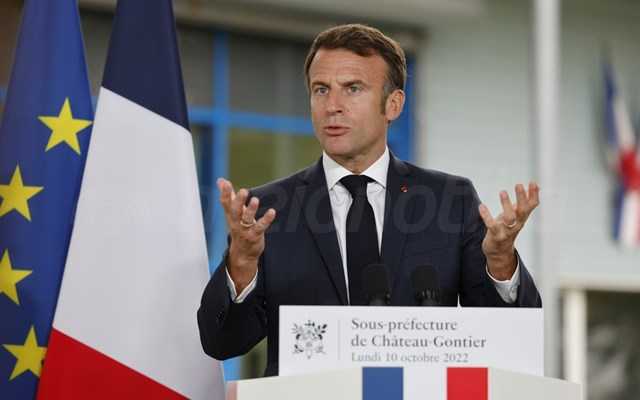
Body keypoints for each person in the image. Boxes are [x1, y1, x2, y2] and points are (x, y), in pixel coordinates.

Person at [197, 24, 541, 377]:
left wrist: (500, 263)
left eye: (353, 89)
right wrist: (242, 264)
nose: (332, 106)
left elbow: (510, 339)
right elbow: (220, 342)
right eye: (321, 90)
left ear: (393, 104)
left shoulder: (449, 200)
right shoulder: (269, 210)